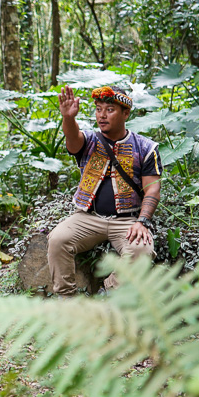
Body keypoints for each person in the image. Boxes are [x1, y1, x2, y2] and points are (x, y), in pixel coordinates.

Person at [48, 85, 164, 296]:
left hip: (127, 220)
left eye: (109, 110)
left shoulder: (146, 148)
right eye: (98, 109)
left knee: (142, 251)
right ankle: (67, 299)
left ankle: (109, 293)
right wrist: (68, 118)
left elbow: (152, 189)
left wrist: (142, 221)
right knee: (57, 239)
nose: (102, 115)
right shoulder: (89, 141)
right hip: (88, 217)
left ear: (125, 113)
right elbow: (73, 140)